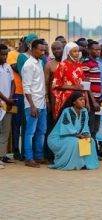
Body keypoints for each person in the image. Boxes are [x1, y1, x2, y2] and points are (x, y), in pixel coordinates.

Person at [48, 91, 99, 170]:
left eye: (84, 99)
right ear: (74, 102)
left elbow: (85, 126)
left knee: (90, 141)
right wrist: (79, 136)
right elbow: (66, 127)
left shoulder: (85, 111)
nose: (83, 101)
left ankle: (85, 164)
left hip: (76, 136)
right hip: (59, 138)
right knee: (76, 142)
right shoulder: (67, 111)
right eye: (80, 99)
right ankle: (73, 164)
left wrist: (86, 134)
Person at [21, 39, 47, 168]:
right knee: (30, 132)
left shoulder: (40, 62)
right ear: (33, 49)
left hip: (42, 103)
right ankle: (29, 158)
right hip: (33, 105)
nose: (43, 52)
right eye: (40, 49)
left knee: (41, 131)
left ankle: (38, 156)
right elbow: (26, 87)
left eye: (44, 50)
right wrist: (32, 106)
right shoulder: (29, 65)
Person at [51, 42, 85, 119]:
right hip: (66, 100)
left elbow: (82, 83)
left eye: (78, 51)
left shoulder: (79, 65)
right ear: (68, 52)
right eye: (74, 51)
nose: (77, 53)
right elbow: (55, 84)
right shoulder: (62, 65)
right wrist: (74, 87)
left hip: (79, 100)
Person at [7, 39, 24, 159]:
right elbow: (17, 68)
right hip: (16, 93)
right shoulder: (13, 54)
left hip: (28, 93)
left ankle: (24, 151)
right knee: (16, 123)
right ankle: (15, 150)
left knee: (26, 124)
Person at [0, 44, 16, 168]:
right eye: (2, 54)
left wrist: (10, 98)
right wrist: (6, 99)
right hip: (2, 103)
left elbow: (12, 83)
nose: (4, 57)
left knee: (6, 131)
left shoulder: (7, 67)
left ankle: (2, 155)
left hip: (7, 104)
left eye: (6, 54)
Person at [44, 41, 64, 116]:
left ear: (63, 49)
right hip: (54, 99)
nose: (56, 51)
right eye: (54, 49)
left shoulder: (68, 63)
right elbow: (45, 84)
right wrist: (47, 100)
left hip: (67, 98)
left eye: (59, 48)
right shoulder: (49, 65)